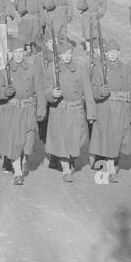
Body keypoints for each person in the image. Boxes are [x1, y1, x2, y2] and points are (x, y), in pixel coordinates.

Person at [0, 36, 46, 185]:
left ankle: (23, 160)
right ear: (11, 53)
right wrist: (5, 92)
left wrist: (41, 110)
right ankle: (17, 172)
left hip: (29, 110)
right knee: (14, 142)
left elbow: (40, 90)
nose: (19, 54)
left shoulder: (32, 68)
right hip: (12, 111)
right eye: (16, 52)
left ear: (25, 52)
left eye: (21, 51)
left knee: (28, 144)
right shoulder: (4, 69)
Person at [44, 35, 94, 182]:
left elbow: (87, 91)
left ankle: (69, 159)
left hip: (76, 111)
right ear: (58, 55)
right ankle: (66, 168)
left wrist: (91, 112)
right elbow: (46, 89)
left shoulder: (80, 69)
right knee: (62, 140)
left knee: (76, 141)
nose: (66, 57)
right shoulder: (52, 69)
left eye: (69, 53)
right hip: (60, 111)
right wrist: (52, 94)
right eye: (63, 54)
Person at [88, 36, 131, 182]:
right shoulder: (99, 69)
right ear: (105, 53)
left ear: (119, 52)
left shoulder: (126, 68)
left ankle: (113, 162)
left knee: (119, 138)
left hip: (122, 109)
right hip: (106, 109)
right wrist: (100, 92)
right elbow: (94, 90)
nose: (112, 55)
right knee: (108, 139)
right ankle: (110, 169)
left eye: (115, 52)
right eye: (109, 52)